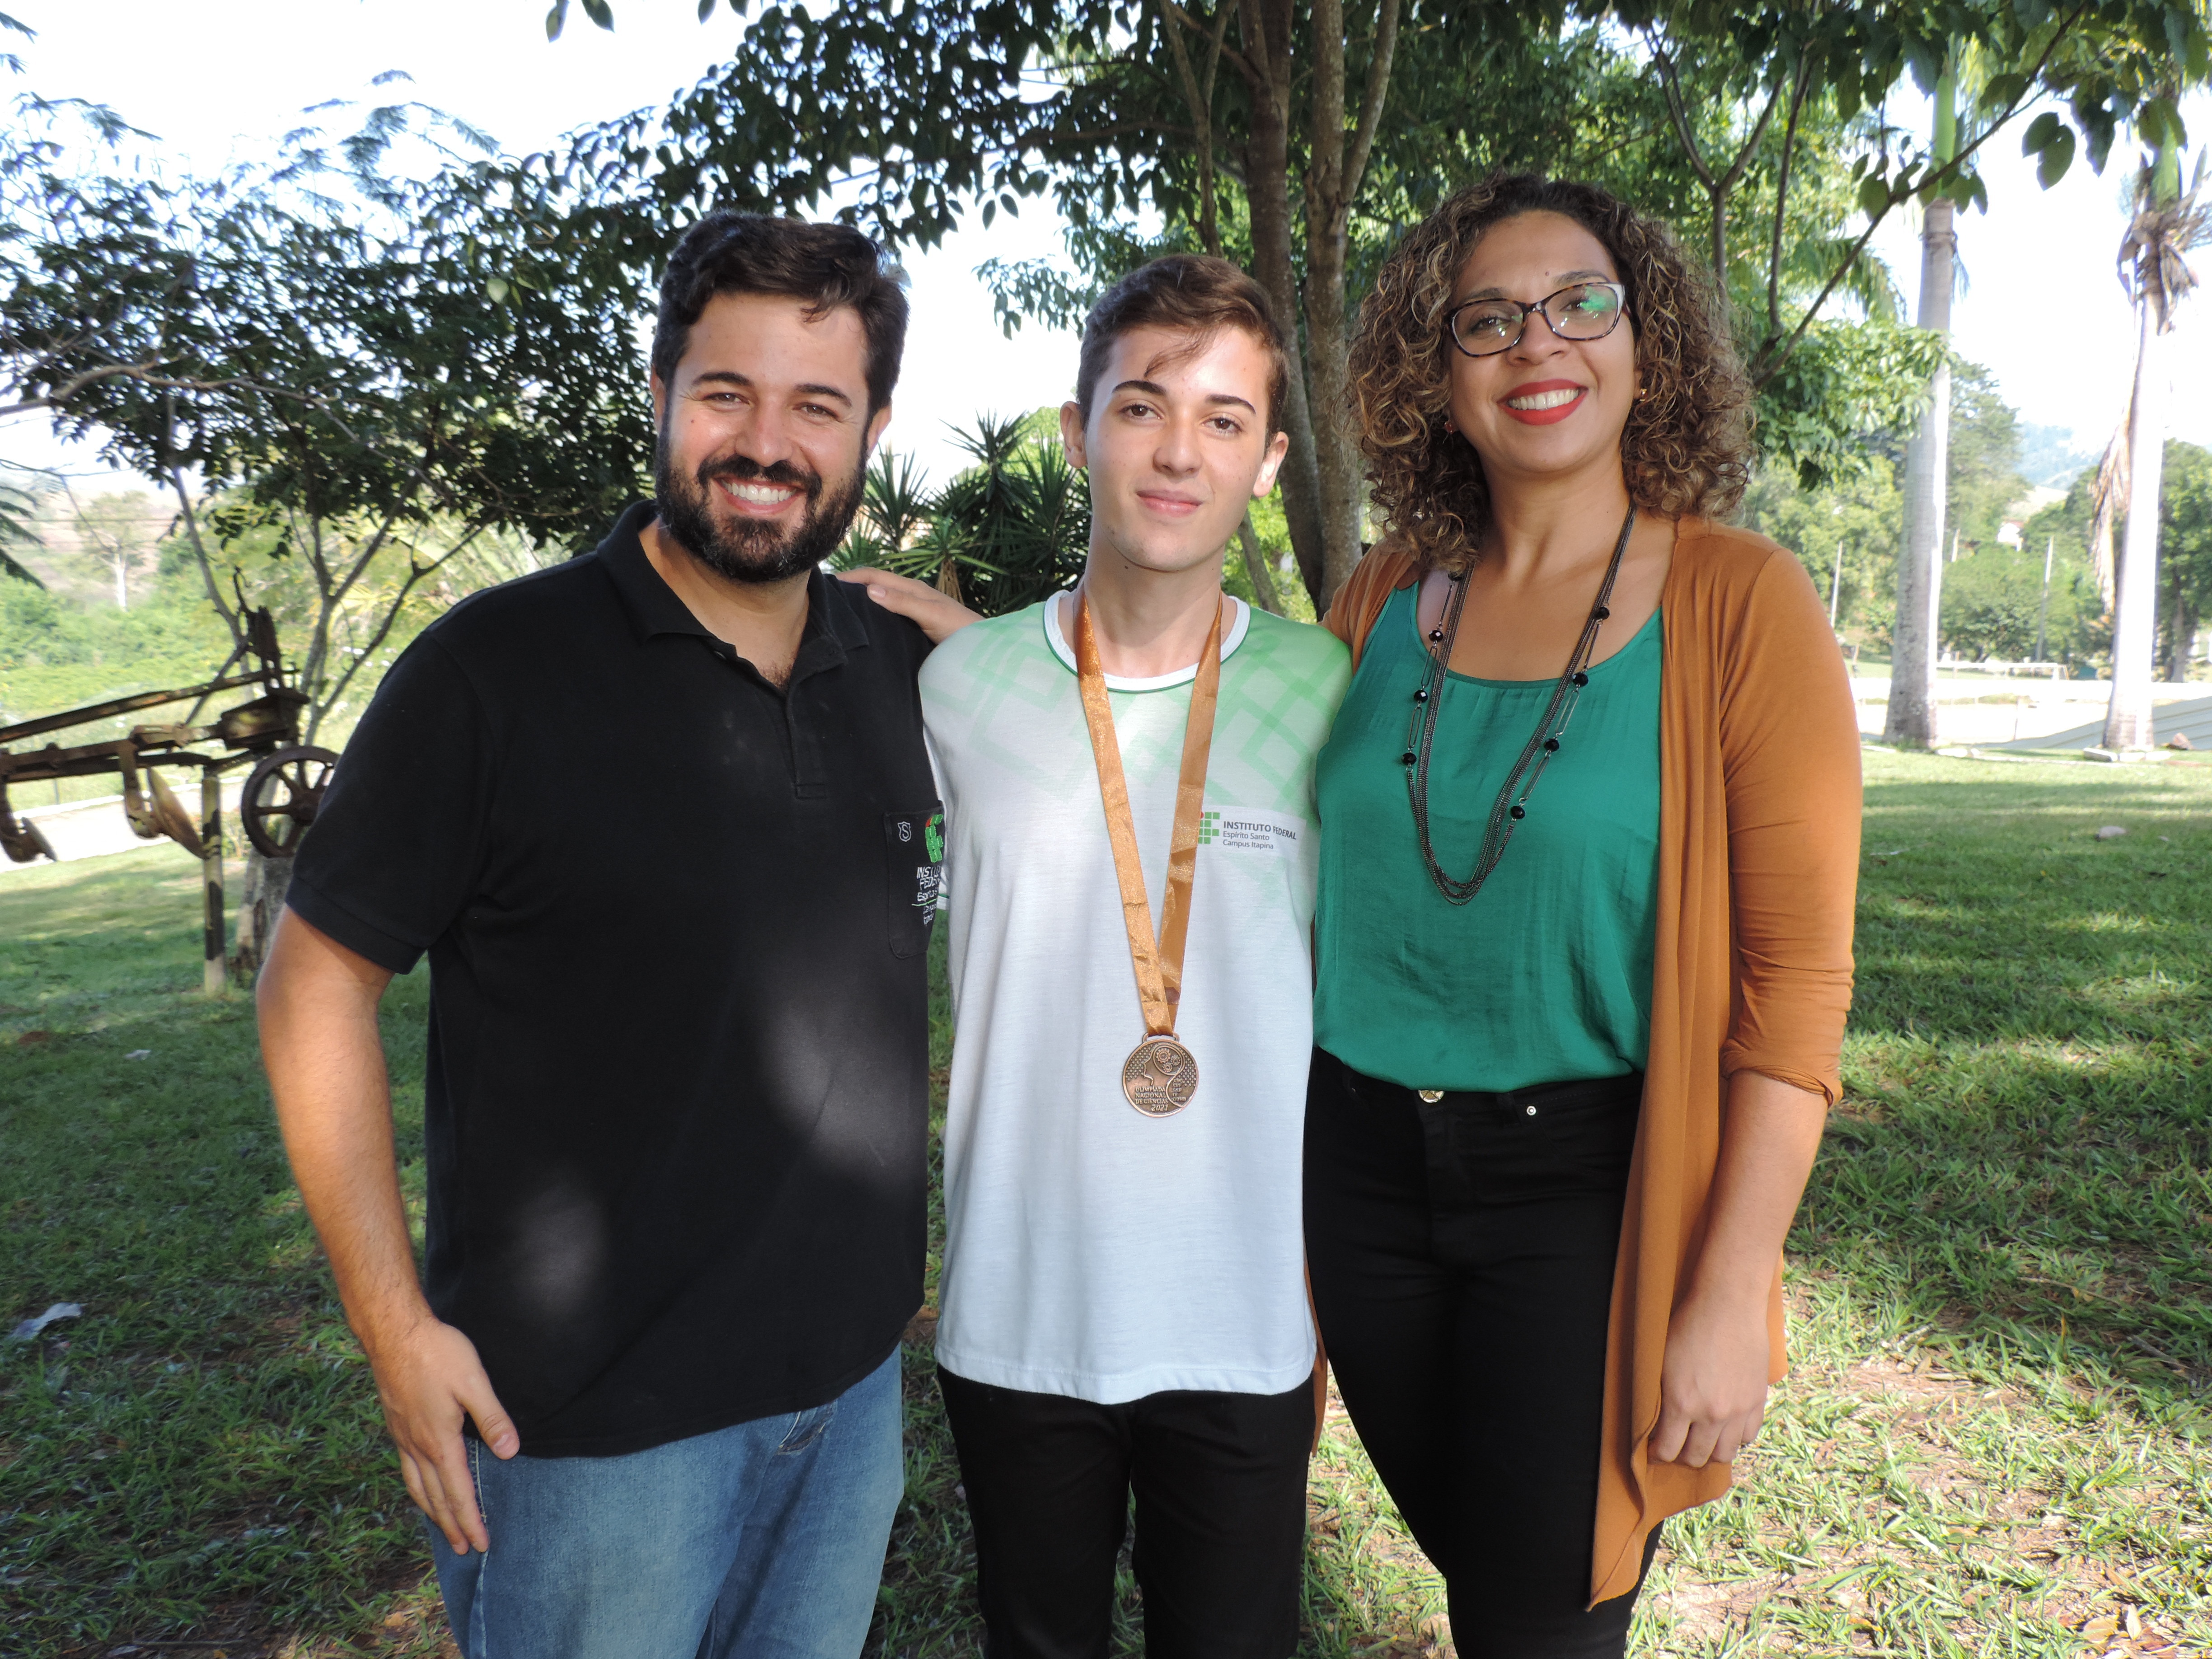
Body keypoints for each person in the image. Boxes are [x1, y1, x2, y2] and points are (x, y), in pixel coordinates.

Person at [257, 213, 943, 1659]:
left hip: (849, 1401)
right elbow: (314, 983)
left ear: (871, 428)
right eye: (725, 394)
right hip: (585, 1436)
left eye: (817, 405)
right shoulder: (494, 673)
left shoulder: (901, 666)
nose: (767, 443)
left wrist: (981, 631)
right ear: (661, 397)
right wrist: (393, 1331)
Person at [1304, 173, 1862, 1658]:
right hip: (1352, 1176)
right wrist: (1017, 660)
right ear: (1437, 373)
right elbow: (1223, 810)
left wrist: (1732, 1288)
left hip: (1587, 1195)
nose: (1536, 346)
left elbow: (1795, 989)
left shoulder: (1744, 605)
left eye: (1579, 306)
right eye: (1486, 320)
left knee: (1542, 1609)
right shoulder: (1378, 598)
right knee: (1476, 1566)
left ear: (1645, 340)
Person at [909, 254, 1350, 1659]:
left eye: (1225, 420)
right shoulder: (955, 689)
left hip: (1245, 1302)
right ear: (1076, 427)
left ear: (1269, 462)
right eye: (1143, 406)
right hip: (1019, 1300)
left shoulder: (1322, 688)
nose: (1179, 450)